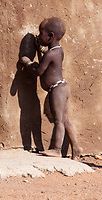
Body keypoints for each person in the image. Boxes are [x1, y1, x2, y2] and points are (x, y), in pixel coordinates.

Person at [20, 17, 83, 160]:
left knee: (59, 121)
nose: (38, 35)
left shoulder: (50, 54)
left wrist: (28, 62)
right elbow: (46, 56)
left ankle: (57, 149)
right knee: (64, 120)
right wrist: (39, 48)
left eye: (40, 33)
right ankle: (76, 148)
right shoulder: (57, 50)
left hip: (57, 90)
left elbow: (38, 71)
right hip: (62, 87)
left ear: (50, 36)